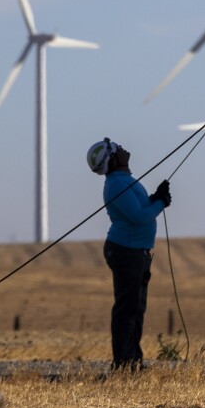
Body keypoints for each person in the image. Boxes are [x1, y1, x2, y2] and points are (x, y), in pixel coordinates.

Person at [86, 137, 172, 370]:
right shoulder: (116, 185)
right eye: (116, 149)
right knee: (127, 308)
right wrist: (160, 203)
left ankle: (133, 359)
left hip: (137, 253)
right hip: (127, 252)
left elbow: (141, 208)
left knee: (136, 308)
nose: (122, 148)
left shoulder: (123, 180)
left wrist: (155, 198)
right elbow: (138, 216)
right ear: (112, 160)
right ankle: (124, 362)